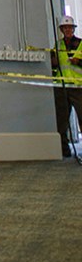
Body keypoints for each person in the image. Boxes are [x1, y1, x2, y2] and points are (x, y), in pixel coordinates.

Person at [51, 13, 82, 159]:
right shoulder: (58, 45)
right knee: (61, 120)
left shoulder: (81, 44)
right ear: (62, 30)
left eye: (70, 27)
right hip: (61, 86)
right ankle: (64, 148)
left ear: (73, 29)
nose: (68, 30)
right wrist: (53, 62)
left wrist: (79, 62)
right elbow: (52, 64)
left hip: (78, 87)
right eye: (65, 28)